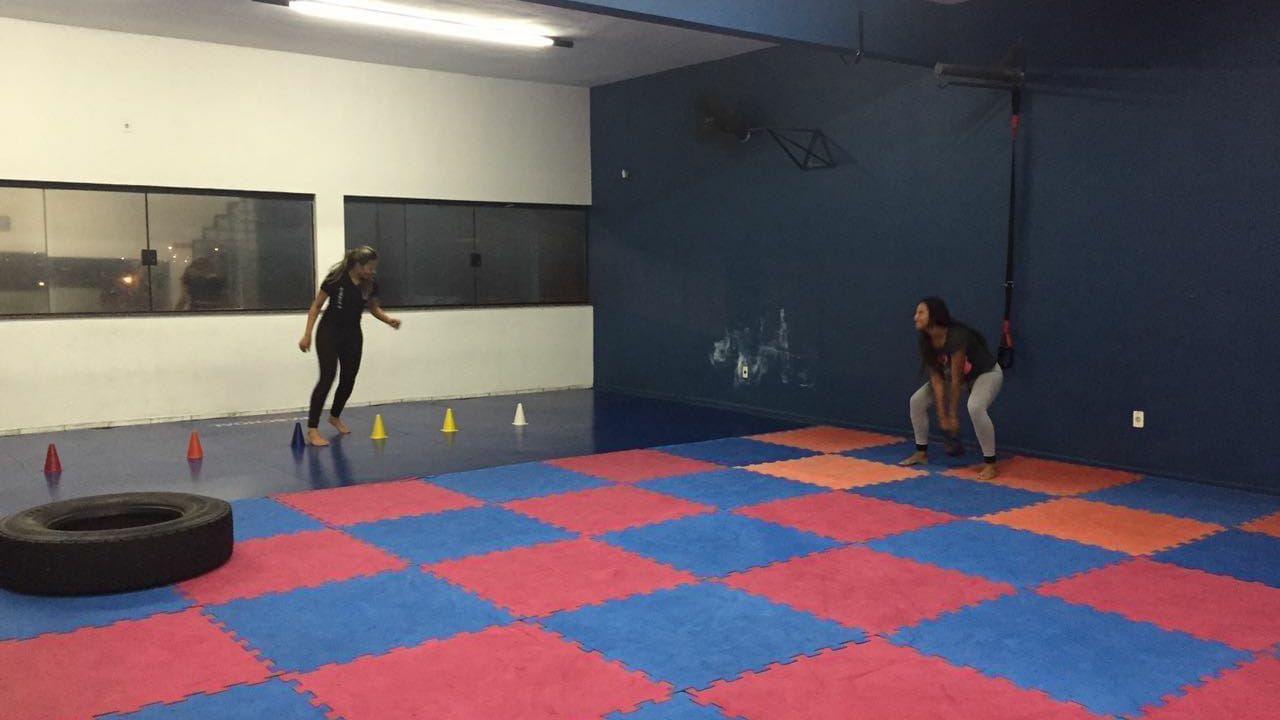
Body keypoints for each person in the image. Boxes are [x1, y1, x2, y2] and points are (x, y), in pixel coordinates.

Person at [298, 246, 400, 447]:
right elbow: (316, 306)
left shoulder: (370, 284)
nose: (372, 271)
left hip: (352, 333)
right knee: (327, 377)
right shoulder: (336, 279)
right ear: (357, 265)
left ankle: (334, 416)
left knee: (349, 378)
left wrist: (388, 320)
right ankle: (312, 429)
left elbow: (374, 308)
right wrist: (307, 334)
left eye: (374, 267)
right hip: (329, 332)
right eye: (369, 267)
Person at [899, 297, 1003, 480]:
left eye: (921, 312)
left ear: (934, 315)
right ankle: (921, 453)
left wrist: (953, 416)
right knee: (917, 401)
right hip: (953, 378)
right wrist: (942, 417)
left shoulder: (957, 336)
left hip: (986, 374)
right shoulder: (927, 340)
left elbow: (957, 379)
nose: (915, 317)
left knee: (975, 407)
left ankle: (990, 464)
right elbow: (937, 380)